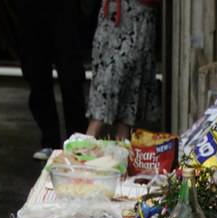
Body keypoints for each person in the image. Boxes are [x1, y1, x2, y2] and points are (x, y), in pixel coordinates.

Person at [16, 0, 89, 161]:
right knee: (37, 77)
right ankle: (49, 142)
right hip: (30, 11)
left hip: (63, 10)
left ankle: (77, 142)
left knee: (71, 77)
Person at [86, 0, 160, 140]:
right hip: (112, 16)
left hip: (138, 15)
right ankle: (90, 141)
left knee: (128, 78)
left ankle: (108, 143)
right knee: (105, 77)